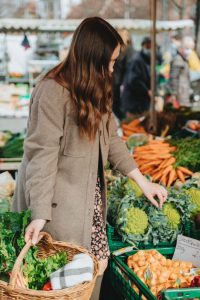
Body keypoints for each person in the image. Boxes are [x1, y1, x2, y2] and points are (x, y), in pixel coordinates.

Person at [12, 17, 167, 300]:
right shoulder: (52, 91)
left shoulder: (97, 89)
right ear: (91, 60)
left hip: (89, 203)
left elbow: (112, 142)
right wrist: (39, 214)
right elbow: (41, 157)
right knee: (62, 283)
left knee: (95, 269)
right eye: (109, 62)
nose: (112, 69)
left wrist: (143, 183)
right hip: (58, 207)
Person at [121, 36, 151, 118]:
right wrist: (147, 91)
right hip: (134, 103)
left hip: (140, 103)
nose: (150, 49)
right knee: (133, 125)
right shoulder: (137, 60)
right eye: (148, 46)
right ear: (143, 46)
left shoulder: (147, 60)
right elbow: (134, 80)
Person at [112, 29, 135, 120]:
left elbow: (129, 70)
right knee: (116, 109)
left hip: (122, 87)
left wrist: (123, 85)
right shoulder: (119, 49)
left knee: (121, 111)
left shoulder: (129, 51)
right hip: (116, 85)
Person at [169, 37, 191, 107]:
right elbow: (174, 77)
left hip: (183, 92)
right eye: (187, 48)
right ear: (181, 48)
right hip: (180, 93)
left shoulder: (184, 59)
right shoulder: (178, 60)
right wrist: (174, 93)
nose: (189, 51)